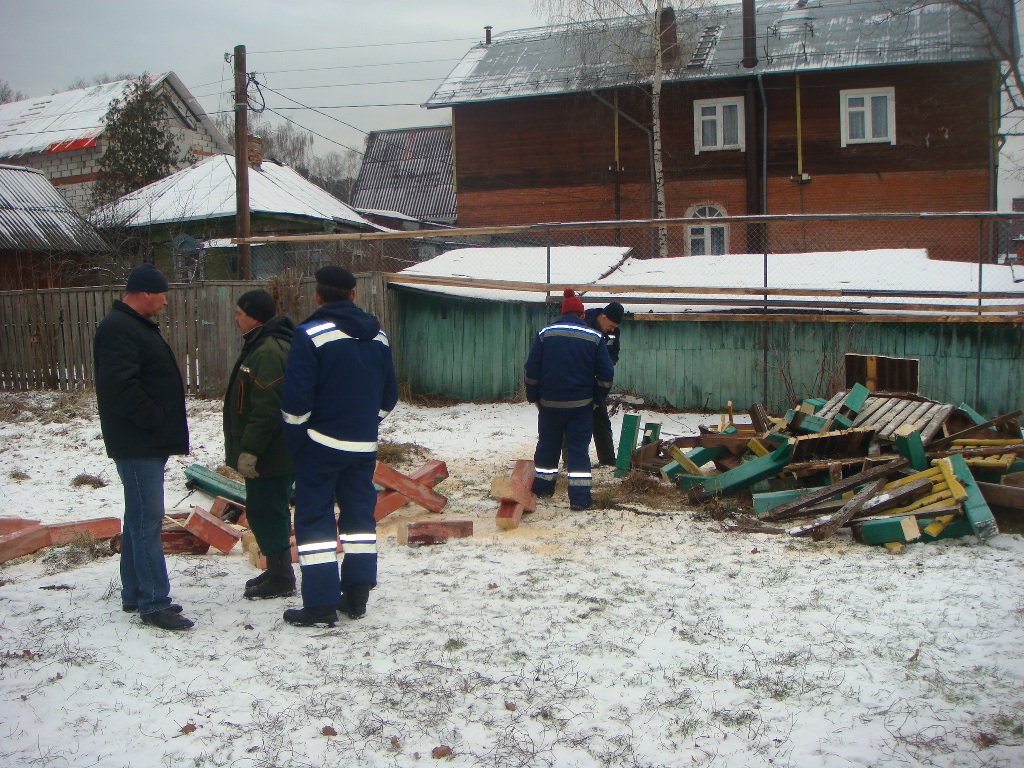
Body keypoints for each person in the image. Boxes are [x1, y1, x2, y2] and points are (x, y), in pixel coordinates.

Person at [280, 266, 399, 627]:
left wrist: (296, 441)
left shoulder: (310, 335)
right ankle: (357, 596)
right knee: (360, 519)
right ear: (353, 295)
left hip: (318, 446)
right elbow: (388, 396)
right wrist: (367, 425)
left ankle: (319, 606)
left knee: (315, 522)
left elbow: (296, 401)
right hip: (362, 446)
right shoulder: (378, 336)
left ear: (317, 296)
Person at [93, 264, 194, 631]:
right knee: (148, 520)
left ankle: (135, 592)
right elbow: (120, 388)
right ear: (145, 293)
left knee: (138, 518)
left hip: (143, 439)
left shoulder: (130, 326)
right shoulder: (120, 329)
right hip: (137, 441)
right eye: (162, 294)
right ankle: (154, 602)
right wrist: (154, 419)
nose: (166, 301)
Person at [223, 289, 297, 600]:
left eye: (239, 313)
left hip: (271, 451)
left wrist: (250, 449)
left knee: (266, 509)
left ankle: (281, 577)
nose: (236, 318)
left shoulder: (268, 351)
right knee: (268, 507)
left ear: (254, 317)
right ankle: (277, 569)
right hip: (273, 449)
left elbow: (267, 407)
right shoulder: (263, 344)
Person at [525, 289, 614, 510]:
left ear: (561, 313)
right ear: (582, 315)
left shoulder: (545, 334)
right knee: (577, 451)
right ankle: (580, 499)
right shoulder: (594, 337)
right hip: (580, 406)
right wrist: (596, 399)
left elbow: (531, 370)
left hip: (550, 404)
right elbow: (606, 373)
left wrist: (534, 397)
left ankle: (543, 489)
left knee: (547, 446)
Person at [583, 302, 625, 466]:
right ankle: (570, 460)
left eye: (616, 327)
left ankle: (607, 460)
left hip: (598, 381)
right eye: (612, 325)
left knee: (600, 418)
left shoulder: (614, 332)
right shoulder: (584, 323)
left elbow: (614, 353)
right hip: (580, 379)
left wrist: (606, 365)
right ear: (603, 316)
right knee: (573, 420)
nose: (613, 330)